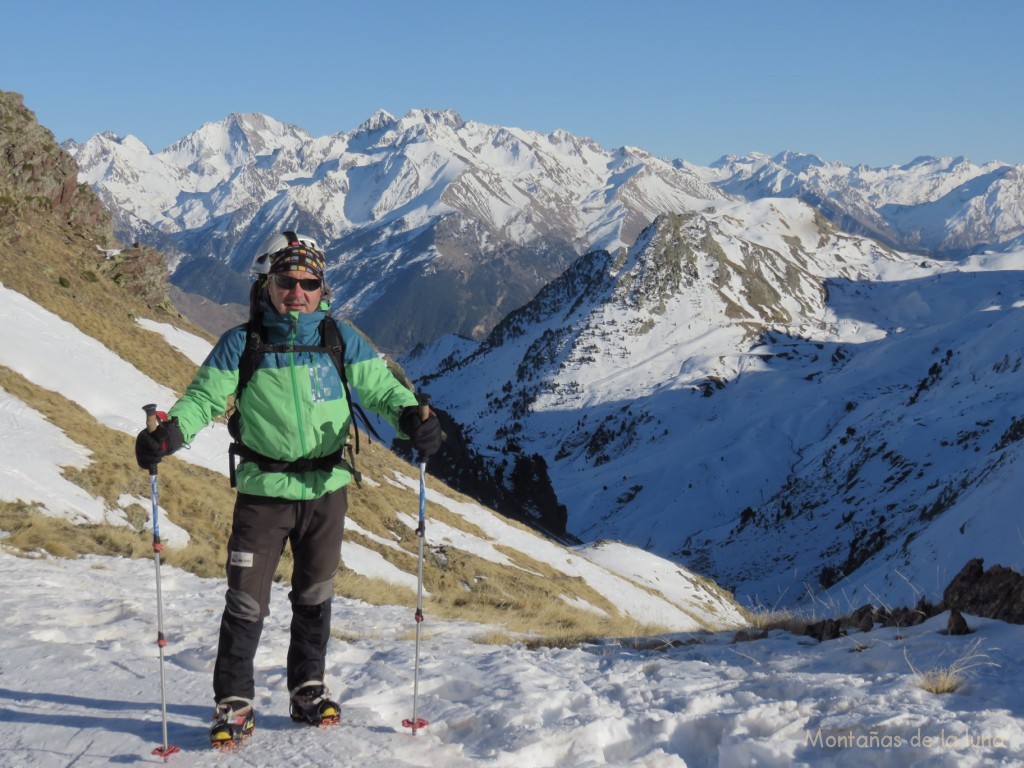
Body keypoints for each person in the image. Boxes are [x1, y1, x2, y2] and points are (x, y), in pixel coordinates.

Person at [134, 230, 442, 747]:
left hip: (326, 488)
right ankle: (233, 702)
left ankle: (307, 688)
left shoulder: (340, 339)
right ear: (268, 284)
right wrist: (169, 435)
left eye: (309, 281)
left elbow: (383, 390)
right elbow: (203, 399)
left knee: (315, 594)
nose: (297, 291)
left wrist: (412, 417)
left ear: (323, 288)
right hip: (264, 491)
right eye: (286, 280)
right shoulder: (244, 342)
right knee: (246, 602)